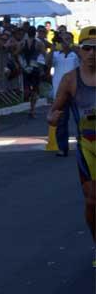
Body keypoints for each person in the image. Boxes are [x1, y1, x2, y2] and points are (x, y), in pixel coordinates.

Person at [48, 26, 96, 248]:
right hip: (88, 146)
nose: (92, 53)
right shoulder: (70, 80)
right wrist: (53, 118)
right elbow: (53, 111)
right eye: (88, 48)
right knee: (92, 201)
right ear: (80, 51)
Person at [46, 32, 79, 157]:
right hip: (60, 93)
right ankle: (62, 148)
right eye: (64, 39)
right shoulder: (55, 55)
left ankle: (84, 144)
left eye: (68, 39)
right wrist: (52, 48)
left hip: (76, 92)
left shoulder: (75, 54)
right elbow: (48, 63)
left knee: (80, 120)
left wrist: (71, 46)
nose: (65, 41)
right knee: (61, 121)